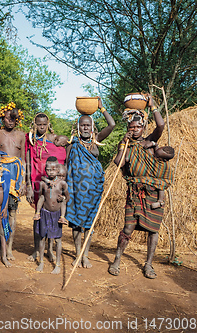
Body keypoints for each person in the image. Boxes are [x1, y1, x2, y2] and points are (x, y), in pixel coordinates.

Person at [109, 97, 172, 279]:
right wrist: (124, 142)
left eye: (138, 127)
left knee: (153, 231)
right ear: (128, 129)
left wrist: (152, 106)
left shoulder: (150, 143)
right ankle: (117, 260)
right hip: (135, 194)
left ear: (143, 128)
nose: (135, 130)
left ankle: (149, 264)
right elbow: (119, 162)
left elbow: (160, 126)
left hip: (153, 193)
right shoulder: (128, 146)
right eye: (131, 128)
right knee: (128, 228)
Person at [65, 98, 115, 268]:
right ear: (78, 127)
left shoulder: (96, 140)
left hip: (93, 190)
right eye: (82, 125)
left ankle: (85, 255)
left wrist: (101, 108)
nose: (85, 128)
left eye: (88, 125)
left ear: (92, 127)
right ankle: (78, 254)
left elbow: (112, 125)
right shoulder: (72, 144)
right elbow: (66, 167)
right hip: (76, 190)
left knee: (89, 224)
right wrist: (65, 189)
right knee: (77, 225)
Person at [25, 113, 68, 261]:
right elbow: (28, 163)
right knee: (38, 216)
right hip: (38, 182)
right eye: (39, 124)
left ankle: (50, 250)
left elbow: (64, 153)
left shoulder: (53, 139)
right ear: (34, 124)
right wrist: (29, 185)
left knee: (52, 215)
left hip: (53, 184)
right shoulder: (30, 140)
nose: (41, 127)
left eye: (44, 124)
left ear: (48, 124)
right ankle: (37, 250)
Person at [0, 102, 25, 260]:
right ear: (2, 118)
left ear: (17, 120)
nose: (10, 121)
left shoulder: (21, 135)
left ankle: (9, 248)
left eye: (13, 119)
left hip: (14, 181)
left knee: (12, 213)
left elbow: (23, 160)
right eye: (7, 118)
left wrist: (23, 182)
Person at [33, 157, 69, 274]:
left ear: (58, 170)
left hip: (56, 215)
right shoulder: (43, 183)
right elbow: (42, 197)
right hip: (45, 213)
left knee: (57, 240)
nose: (50, 172)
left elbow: (67, 197)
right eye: (48, 170)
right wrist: (38, 212)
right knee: (42, 237)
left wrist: (63, 198)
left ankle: (57, 265)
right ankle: (41, 262)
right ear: (45, 170)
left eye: (53, 170)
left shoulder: (62, 183)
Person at [138, 141, 175, 208]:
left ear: (164, 160)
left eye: (157, 156)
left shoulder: (162, 165)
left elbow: (161, 177)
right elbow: (156, 147)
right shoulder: (159, 154)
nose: (154, 156)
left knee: (161, 185)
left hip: (163, 179)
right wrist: (152, 144)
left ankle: (160, 201)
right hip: (158, 178)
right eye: (155, 154)